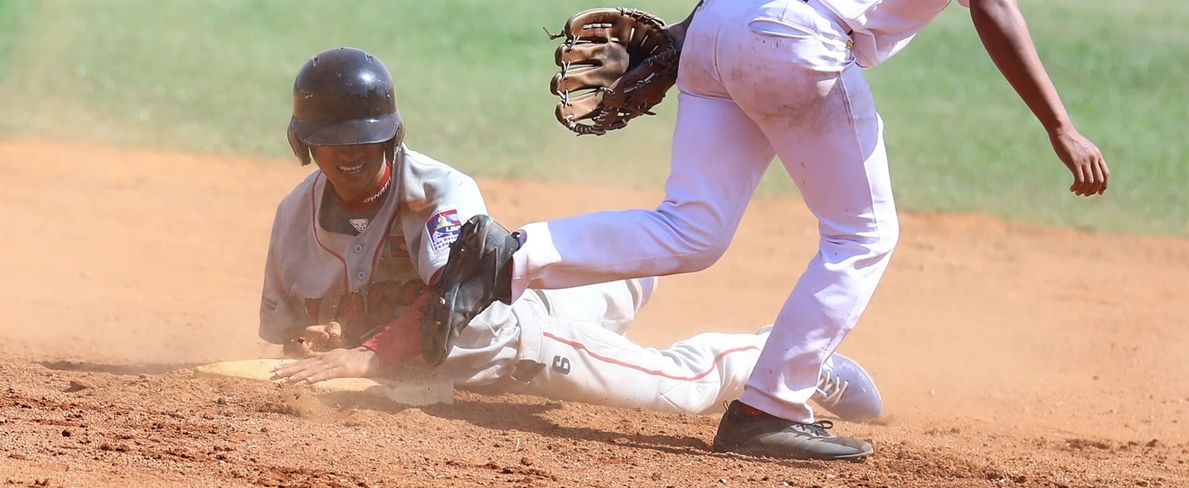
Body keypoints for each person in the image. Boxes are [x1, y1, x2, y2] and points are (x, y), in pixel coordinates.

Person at [422, 0, 1118, 461]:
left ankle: (504, 256)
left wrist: (693, 36)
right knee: (862, 234)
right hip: (796, 36)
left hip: (729, 11)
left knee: (691, 228)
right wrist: (1060, 126)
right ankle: (770, 406)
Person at [258, 46, 884, 424]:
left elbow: (456, 299)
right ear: (305, 144)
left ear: (391, 133)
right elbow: (287, 345)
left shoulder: (439, 193)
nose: (350, 155)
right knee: (623, 287)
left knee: (683, 390)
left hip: (518, 341)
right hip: (524, 305)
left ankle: (769, 354)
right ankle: (626, 280)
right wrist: (325, 338)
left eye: (365, 139)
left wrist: (365, 353)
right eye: (333, 144)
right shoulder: (294, 219)